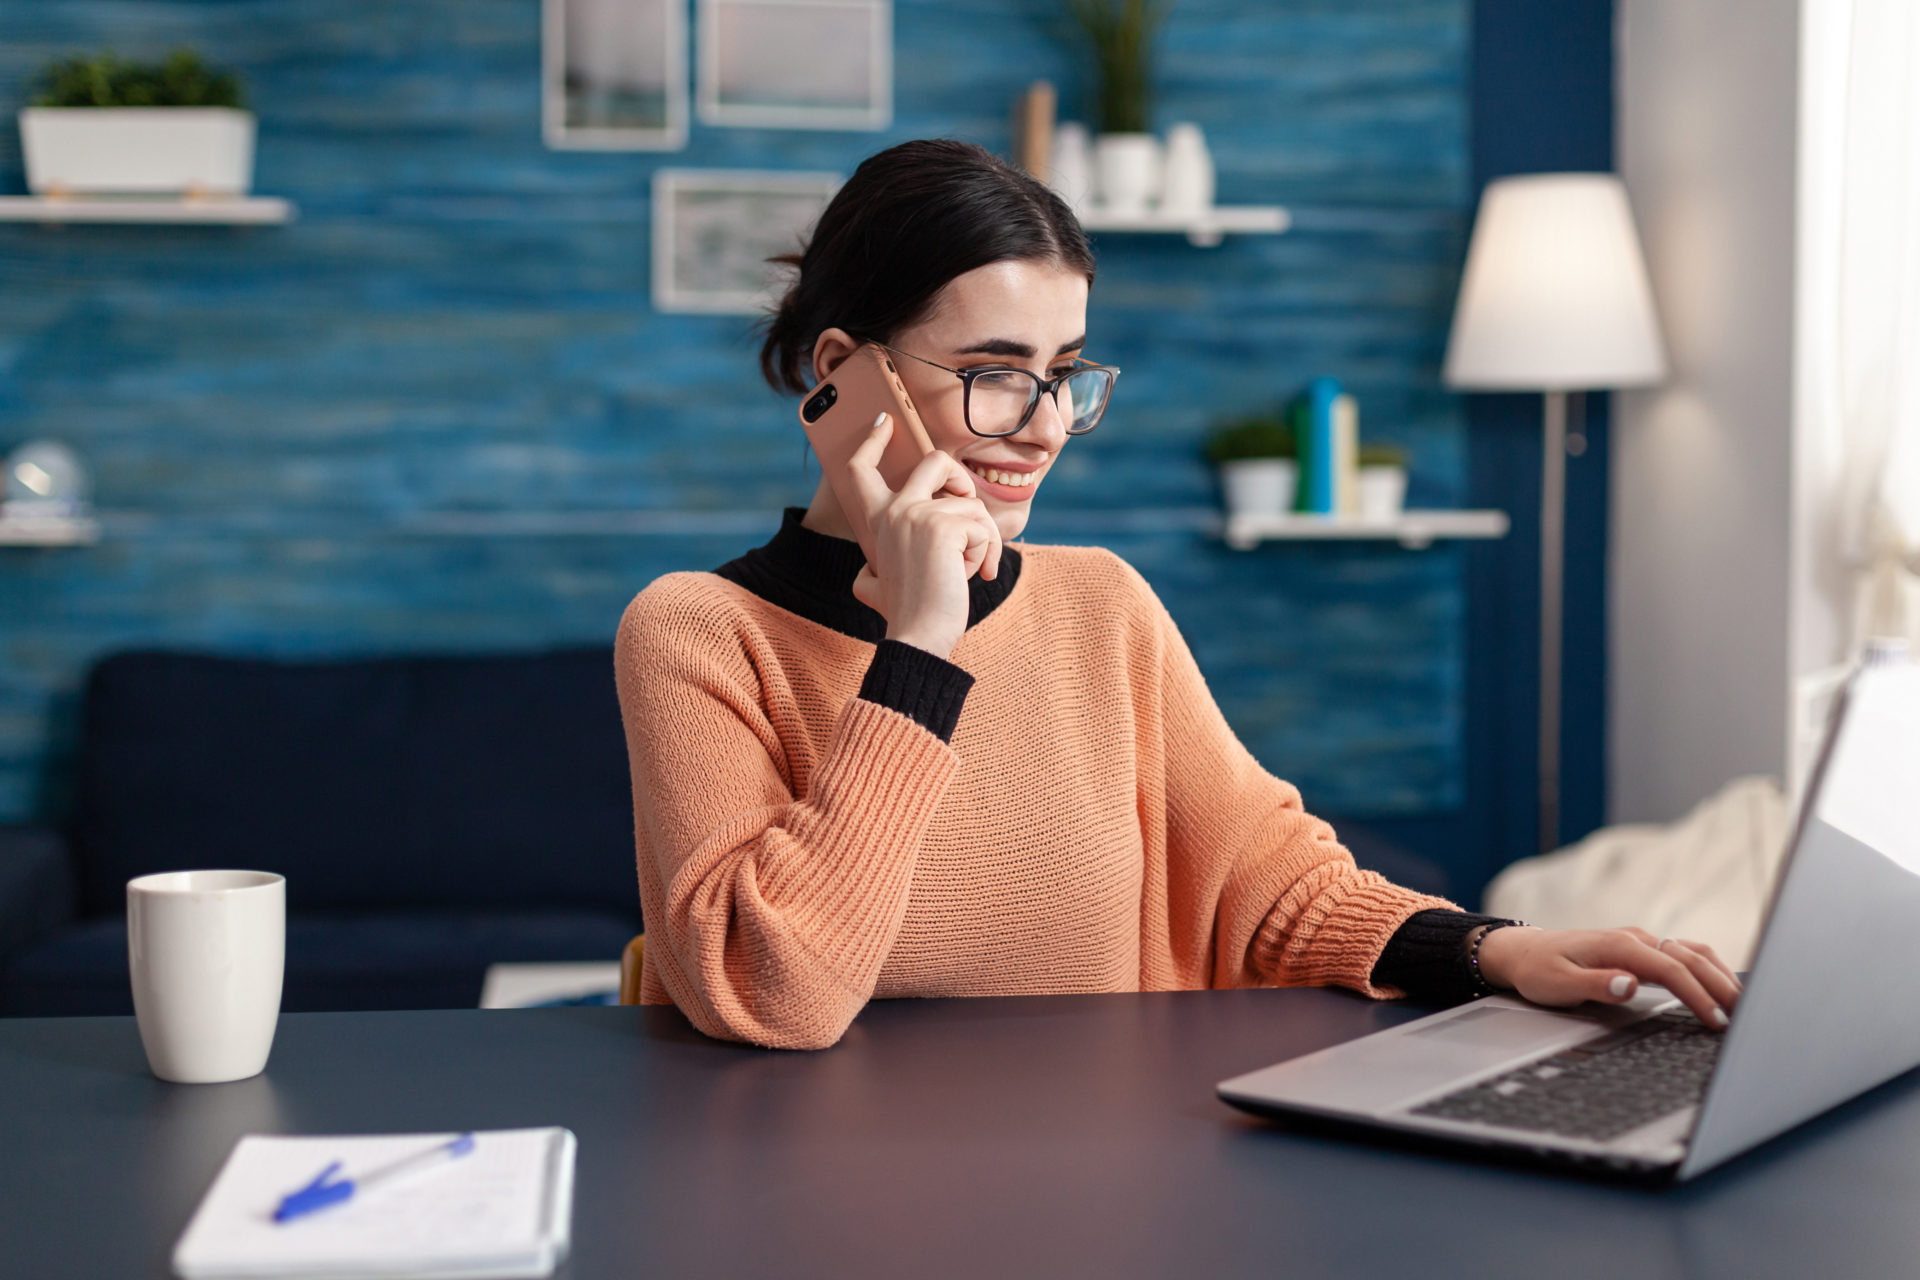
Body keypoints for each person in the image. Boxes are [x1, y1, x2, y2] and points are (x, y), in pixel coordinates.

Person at [613, 139, 1742, 1051]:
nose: (1046, 427)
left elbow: (1270, 879)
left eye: (1063, 375)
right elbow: (774, 989)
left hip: (1105, 1180)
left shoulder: (1101, 606)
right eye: (996, 375)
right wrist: (918, 644)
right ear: (842, 369)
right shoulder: (698, 634)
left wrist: (1495, 949)